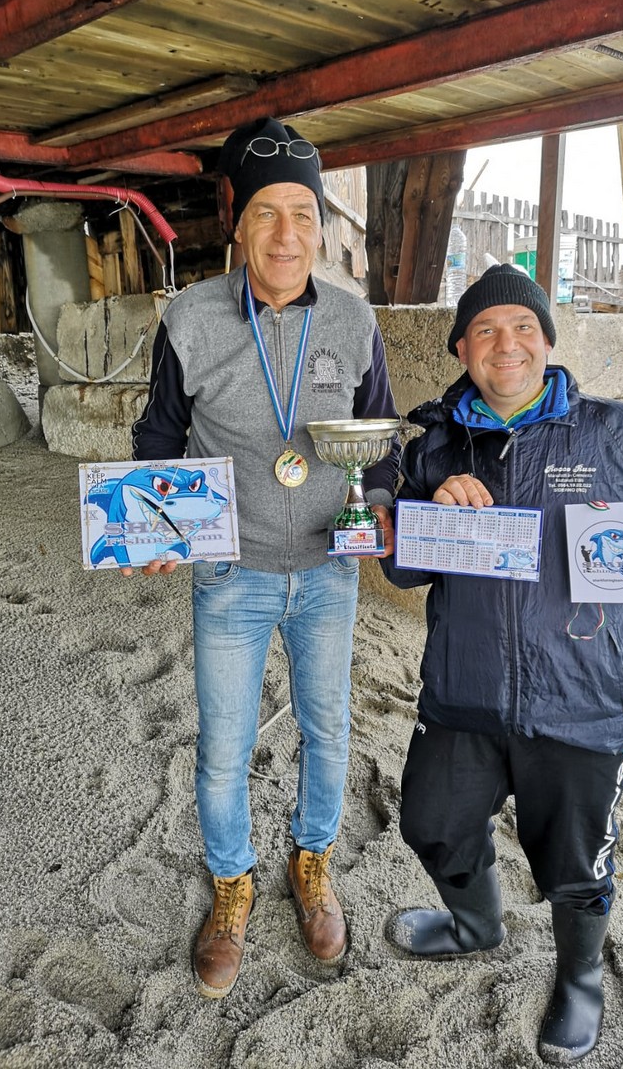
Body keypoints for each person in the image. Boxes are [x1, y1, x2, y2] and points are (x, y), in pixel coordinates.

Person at [380, 264, 623, 1064]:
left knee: (577, 864)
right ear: (462, 348)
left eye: (523, 327)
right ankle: (477, 925)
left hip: (585, 701)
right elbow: (402, 569)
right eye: (485, 329)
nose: (505, 343)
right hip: (462, 695)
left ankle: (580, 977)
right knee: (431, 824)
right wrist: (425, 509)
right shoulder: (434, 445)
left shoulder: (619, 432)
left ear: (546, 340)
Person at [130, 117, 400, 999]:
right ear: (237, 223)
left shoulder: (353, 319)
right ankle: (232, 884)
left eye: (303, 213)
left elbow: (382, 447)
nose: (287, 234)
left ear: (322, 225)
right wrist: (156, 525)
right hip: (230, 572)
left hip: (327, 572)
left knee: (329, 729)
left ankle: (311, 862)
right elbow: (158, 437)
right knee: (224, 745)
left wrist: (381, 505)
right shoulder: (190, 318)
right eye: (267, 213)